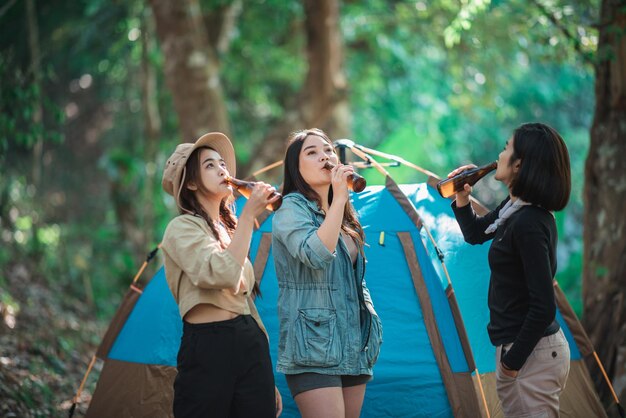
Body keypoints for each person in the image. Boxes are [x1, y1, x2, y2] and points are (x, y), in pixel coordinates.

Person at [448, 122, 571, 418]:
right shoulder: (515, 208)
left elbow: (543, 306)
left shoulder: (529, 222)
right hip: (524, 350)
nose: (499, 156)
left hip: (531, 353)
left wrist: (512, 362)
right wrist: (463, 197)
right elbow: (477, 233)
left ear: (519, 164)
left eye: (506, 148)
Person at [160, 132, 282, 418]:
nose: (222, 170)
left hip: (249, 343)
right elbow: (221, 274)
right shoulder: (181, 228)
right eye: (210, 166)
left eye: (222, 164)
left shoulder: (230, 230)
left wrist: (266, 378)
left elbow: (246, 302)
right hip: (207, 345)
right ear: (190, 182)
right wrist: (249, 217)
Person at [271, 128, 383, 418]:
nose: (325, 156)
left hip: (354, 343)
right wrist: (338, 200)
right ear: (295, 167)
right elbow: (316, 255)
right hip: (313, 347)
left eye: (328, 150)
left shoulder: (343, 212)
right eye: (312, 152)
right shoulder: (289, 209)